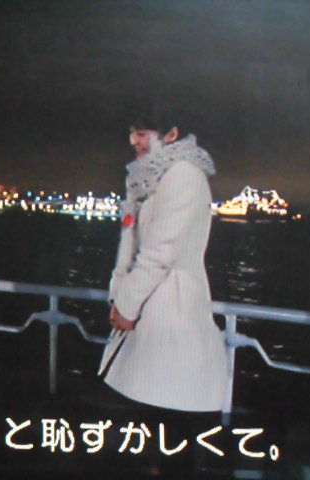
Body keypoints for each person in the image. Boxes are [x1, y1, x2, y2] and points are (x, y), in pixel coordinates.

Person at [98, 104, 228, 413]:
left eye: (142, 133)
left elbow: (160, 251)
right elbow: (134, 244)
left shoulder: (183, 174)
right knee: (140, 402)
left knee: (160, 403)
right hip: (148, 304)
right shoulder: (147, 178)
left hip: (171, 304)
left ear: (171, 135)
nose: (134, 140)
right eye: (132, 133)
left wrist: (126, 305)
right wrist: (120, 295)